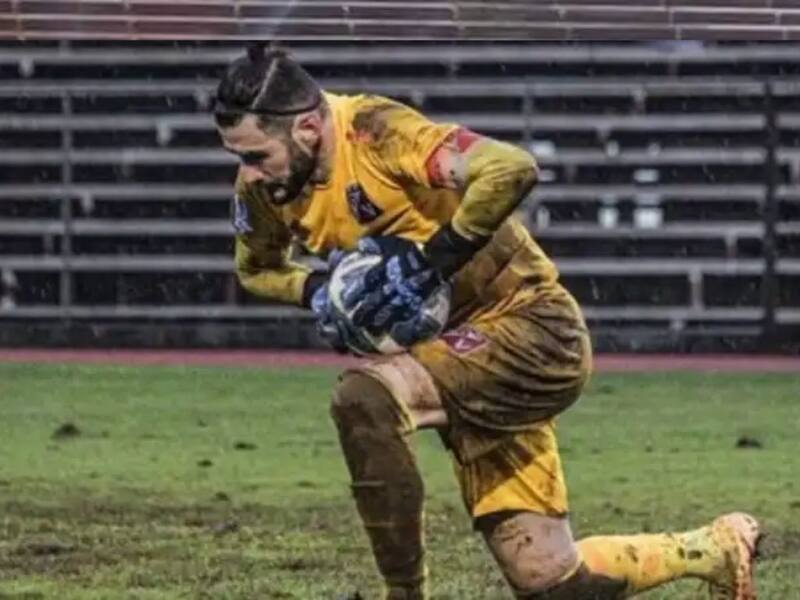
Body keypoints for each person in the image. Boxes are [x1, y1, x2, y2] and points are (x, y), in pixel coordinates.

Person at [213, 44, 760, 600]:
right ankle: (713, 549)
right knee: (551, 582)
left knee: (365, 398)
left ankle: (403, 593)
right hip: (455, 356)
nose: (248, 174)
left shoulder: (377, 131)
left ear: (308, 128)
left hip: (531, 329)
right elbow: (255, 268)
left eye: (256, 156)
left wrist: (433, 262)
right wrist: (318, 290)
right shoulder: (266, 188)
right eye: (237, 157)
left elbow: (511, 167)